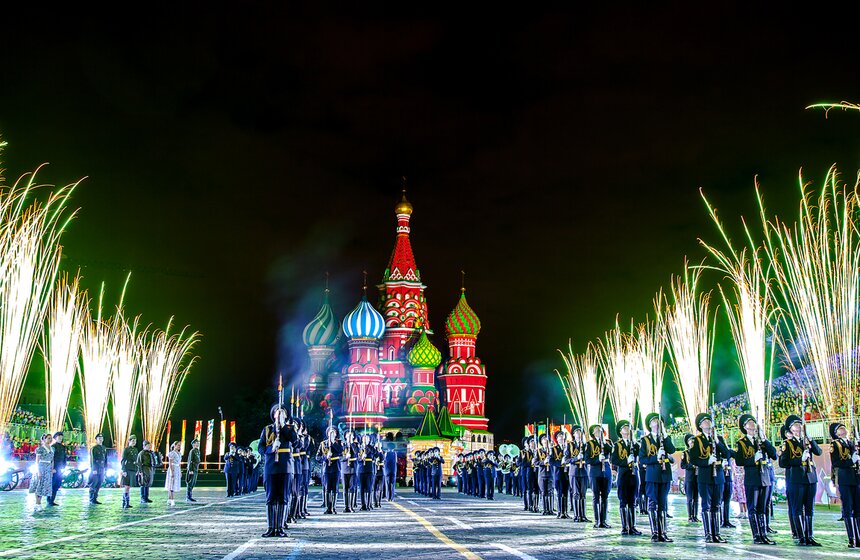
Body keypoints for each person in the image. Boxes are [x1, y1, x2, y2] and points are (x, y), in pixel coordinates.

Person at [734, 414, 777, 545]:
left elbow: (774, 455)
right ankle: (757, 535)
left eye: (753, 421)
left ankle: (764, 534)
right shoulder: (742, 443)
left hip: (764, 477)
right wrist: (753, 459)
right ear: (745, 427)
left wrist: (765, 440)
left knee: (763, 507)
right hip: (752, 477)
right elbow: (739, 461)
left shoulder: (761, 441)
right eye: (749, 422)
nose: (752, 424)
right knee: (753, 507)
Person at [780, 414, 822, 546]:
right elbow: (783, 463)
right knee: (797, 508)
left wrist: (811, 441)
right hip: (796, 478)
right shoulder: (787, 444)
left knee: (809, 508)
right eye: (795, 425)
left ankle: (810, 535)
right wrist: (800, 460)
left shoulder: (807, 441)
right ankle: (801, 535)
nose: (798, 427)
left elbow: (819, 452)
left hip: (810, 477)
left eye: (799, 424)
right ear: (790, 429)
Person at [689, 412, 731, 543]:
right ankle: (708, 534)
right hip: (704, 475)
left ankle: (716, 533)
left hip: (718, 475)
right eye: (705, 422)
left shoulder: (718, 438)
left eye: (709, 421)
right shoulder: (697, 440)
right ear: (700, 426)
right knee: (706, 505)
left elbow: (727, 454)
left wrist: (718, 442)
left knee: (717, 505)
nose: (708, 423)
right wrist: (707, 461)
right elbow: (694, 459)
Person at [257, 404, 296, 538]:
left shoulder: (290, 429)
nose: (279, 415)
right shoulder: (267, 430)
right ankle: (271, 527)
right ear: (273, 415)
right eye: (277, 413)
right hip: (271, 467)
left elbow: (295, 442)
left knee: (283, 498)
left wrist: (284, 426)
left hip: (285, 466)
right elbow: (260, 448)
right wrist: (271, 448)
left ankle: (280, 527)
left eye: (282, 413)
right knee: (271, 498)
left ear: (285, 416)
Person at [639, 412, 675, 543]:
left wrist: (665, 435)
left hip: (665, 474)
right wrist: (656, 457)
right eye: (655, 421)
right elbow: (642, 459)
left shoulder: (665, 438)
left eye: (659, 421)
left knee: (663, 503)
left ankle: (663, 532)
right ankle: (655, 532)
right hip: (652, 474)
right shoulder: (645, 440)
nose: (658, 423)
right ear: (650, 424)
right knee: (653, 502)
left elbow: (672, 449)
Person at [830, 421, 859, 548]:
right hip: (845, 478)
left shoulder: (852, 442)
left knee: (858, 509)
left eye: (843, 427)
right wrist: (850, 461)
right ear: (836, 433)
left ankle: (859, 538)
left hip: (856, 478)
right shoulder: (835, 445)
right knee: (848, 509)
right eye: (839, 429)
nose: (843, 429)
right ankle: (851, 538)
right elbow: (836, 462)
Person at [611, 419, 641, 536]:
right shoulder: (617, 445)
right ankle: (624, 526)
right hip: (623, 474)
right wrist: (625, 461)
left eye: (628, 427)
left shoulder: (635, 444)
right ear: (620, 431)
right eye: (624, 428)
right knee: (623, 500)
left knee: (633, 501)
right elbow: (614, 460)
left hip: (634, 474)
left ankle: (632, 526)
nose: (627, 429)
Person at [586, 424, 613, 529]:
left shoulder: (606, 443)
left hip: (606, 471)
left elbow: (612, 451)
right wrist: (597, 459)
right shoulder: (589, 444)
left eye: (600, 430)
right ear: (593, 433)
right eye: (596, 431)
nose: (599, 432)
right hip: (595, 471)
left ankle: (603, 520)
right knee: (596, 496)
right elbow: (587, 459)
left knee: (605, 496)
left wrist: (604, 443)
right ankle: (597, 521)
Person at [565, 426, 590, 522]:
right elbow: (567, 460)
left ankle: (583, 515)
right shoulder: (570, 445)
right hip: (574, 472)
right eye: (577, 432)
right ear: (573, 434)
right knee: (576, 493)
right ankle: (577, 515)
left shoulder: (586, 445)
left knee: (583, 494)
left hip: (583, 471)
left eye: (580, 432)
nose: (579, 434)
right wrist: (576, 458)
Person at [317, 426, 342, 514]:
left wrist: (333, 443)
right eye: (330, 433)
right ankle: (328, 507)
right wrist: (325, 457)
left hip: (336, 467)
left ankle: (333, 507)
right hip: (326, 468)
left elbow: (340, 451)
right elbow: (318, 457)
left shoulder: (339, 443)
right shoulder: (323, 444)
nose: (331, 434)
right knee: (327, 488)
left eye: (333, 433)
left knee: (335, 488)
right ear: (327, 434)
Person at [549, 430, 570, 519]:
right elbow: (551, 461)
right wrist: (560, 462)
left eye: (562, 436)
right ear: (557, 439)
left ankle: (565, 511)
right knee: (560, 492)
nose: (561, 437)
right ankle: (560, 511)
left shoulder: (568, 447)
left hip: (567, 473)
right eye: (559, 436)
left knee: (566, 492)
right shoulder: (553, 449)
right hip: (558, 473)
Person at [680, 433, 700, 523]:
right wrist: (691, 466)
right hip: (689, 477)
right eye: (690, 441)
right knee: (689, 498)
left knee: (696, 498)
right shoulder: (685, 453)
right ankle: (690, 515)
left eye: (693, 441)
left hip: (697, 477)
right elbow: (682, 465)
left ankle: (695, 515)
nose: (692, 443)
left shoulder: (698, 452)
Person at [32, 434, 54, 507]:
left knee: (44, 486)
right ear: (44, 439)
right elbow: (37, 461)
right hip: (41, 467)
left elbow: (52, 460)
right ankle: (37, 503)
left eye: (51, 438)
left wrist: (52, 469)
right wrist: (38, 471)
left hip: (48, 468)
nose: (50, 440)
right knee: (39, 485)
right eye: (48, 438)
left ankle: (39, 502)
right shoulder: (40, 449)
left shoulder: (52, 449)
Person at [533, 434, 552, 515]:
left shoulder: (551, 450)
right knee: (543, 492)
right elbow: (535, 462)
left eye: (547, 439)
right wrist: (543, 462)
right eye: (544, 439)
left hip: (550, 473)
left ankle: (550, 509)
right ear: (541, 441)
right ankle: (545, 509)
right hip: (542, 473)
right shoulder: (538, 451)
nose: (545, 440)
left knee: (550, 492)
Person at [340, 430, 359, 512]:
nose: (349, 436)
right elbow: (339, 457)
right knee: (345, 488)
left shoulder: (355, 445)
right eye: (347, 435)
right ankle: (346, 506)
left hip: (353, 469)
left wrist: (351, 443)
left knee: (352, 487)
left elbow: (357, 452)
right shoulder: (342, 445)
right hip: (344, 468)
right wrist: (345, 457)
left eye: (351, 435)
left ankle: (350, 506)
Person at [120, 435, 138, 509]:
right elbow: (123, 460)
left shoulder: (136, 450)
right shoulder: (126, 449)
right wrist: (123, 470)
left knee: (129, 487)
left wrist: (137, 469)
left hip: (133, 469)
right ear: (129, 441)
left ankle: (126, 502)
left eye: (135, 441)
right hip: (127, 469)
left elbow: (136, 461)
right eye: (132, 440)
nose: (134, 442)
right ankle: (125, 503)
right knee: (127, 486)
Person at [89, 433, 107, 505]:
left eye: (101, 438)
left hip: (102, 468)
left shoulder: (104, 448)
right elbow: (92, 460)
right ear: (96, 440)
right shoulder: (94, 448)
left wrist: (105, 468)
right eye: (99, 438)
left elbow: (105, 459)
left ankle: (95, 498)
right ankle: (92, 498)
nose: (100, 439)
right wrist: (94, 469)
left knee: (99, 483)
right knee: (94, 483)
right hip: (96, 468)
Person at [48, 432, 66, 507]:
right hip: (54, 468)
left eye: (61, 437)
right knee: (52, 484)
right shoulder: (53, 446)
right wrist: (52, 468)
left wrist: (64, 465)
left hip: (60, 468)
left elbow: (64, 457)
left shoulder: (63, 447)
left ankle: (52, 500)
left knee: (57, 485)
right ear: (55, 438)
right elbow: (51, 458)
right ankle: (49, 500)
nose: (60, 438)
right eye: (59, 437)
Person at [165, 441, 182, 506]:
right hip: (173, 468)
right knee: (171, 484)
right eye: (178, 445)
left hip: (177, 469)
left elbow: (179, 463)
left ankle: (169, 499)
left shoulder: (179, 453)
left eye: (180, 445)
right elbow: (170, 463)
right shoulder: (171, 453)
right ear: (174, 445)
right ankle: (172, 499)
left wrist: (180, 471)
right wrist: (172, 472)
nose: (179, 446)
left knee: (174, 484)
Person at [520, 437, 535, 512]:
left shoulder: (533, 451)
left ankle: (532, 505)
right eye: (526, 442)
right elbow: (519, 463)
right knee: (525, 489)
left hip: (532, 472)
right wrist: (528, 463)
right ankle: (526, 505)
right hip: (524, 472)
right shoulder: (522, 452)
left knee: (531, 489)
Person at [186, 438, 201, 502]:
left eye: (198, 443)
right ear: (193, 444)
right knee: (190, 483)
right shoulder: (192, 451)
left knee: (193, 482)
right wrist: (190, 470)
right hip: (192, 469)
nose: (197, 444)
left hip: (195, 468)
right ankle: (188, 496)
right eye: (196, 443)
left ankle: (190, 496)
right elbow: (190, 461)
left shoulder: (197, 451)